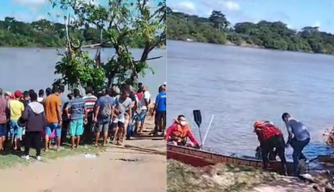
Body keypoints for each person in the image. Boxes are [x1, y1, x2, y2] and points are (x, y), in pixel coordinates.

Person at [21, 92, 45, 161]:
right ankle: (38, 155)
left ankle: (27, 155)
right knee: (38, 141)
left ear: (30, 98)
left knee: (28, 141)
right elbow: (44, 117)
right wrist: (43, 125)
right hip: (39, 127)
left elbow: (25, 116)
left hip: (30, 126)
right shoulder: (41, 106)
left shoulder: (29, 106)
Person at [44, 86, 62, 151]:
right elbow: (58, 110)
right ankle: (58, 147)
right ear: (56, 92)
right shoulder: (57, 99)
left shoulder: (46, 99)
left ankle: (46, 148)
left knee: (47, 134)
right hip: (55, 119)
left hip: (47, 119)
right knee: (58, 134)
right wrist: (60, 119)